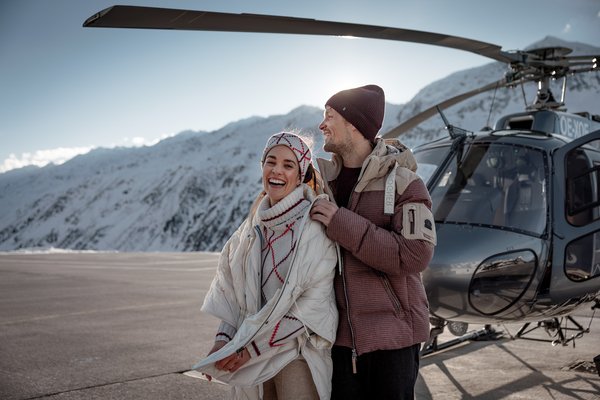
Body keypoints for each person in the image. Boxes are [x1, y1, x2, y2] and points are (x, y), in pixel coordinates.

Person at [309, 85, 437, 400]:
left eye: (329, 116)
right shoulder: (321, 183)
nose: (322, 125)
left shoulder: (407, 183)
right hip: (336, 342)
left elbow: (414, 256)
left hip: (393, 343)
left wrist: (341, 222)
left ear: (354, 124)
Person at [193, 132, 339, 400]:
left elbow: (312, 306)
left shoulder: (312, 227)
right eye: (271, 161)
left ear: (301, 174)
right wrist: (223, 341)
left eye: (288, 165)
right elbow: (234, 294)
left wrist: (251, 349)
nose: (277, 171)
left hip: (295, 354)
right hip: (248, 353)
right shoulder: (251, 229)